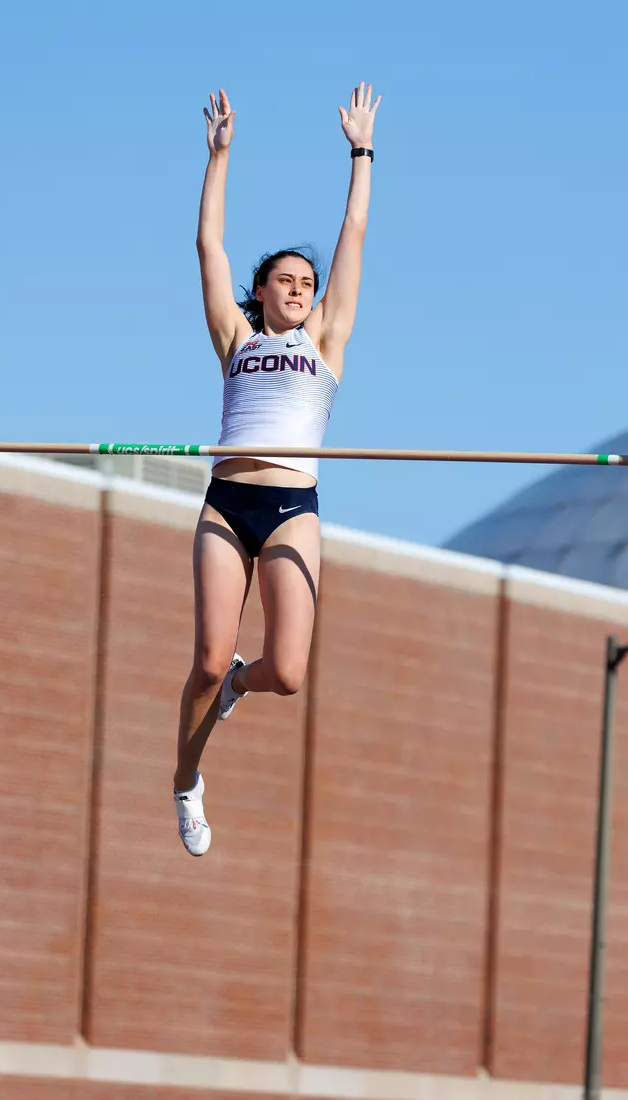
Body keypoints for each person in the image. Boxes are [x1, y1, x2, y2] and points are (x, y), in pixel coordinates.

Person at [173, 82, 380, 855]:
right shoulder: (235, 339)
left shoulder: (325, 342)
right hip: (228, 503)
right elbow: (208, 247)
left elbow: (354, 230)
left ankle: (238, 684)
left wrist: (360, 152)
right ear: (259, 295)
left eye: (306, 284)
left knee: (286, 672)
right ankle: (185, 783)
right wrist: (218, 157)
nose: (297, 290)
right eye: (283, 282)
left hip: (292, 508)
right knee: (201, 653)